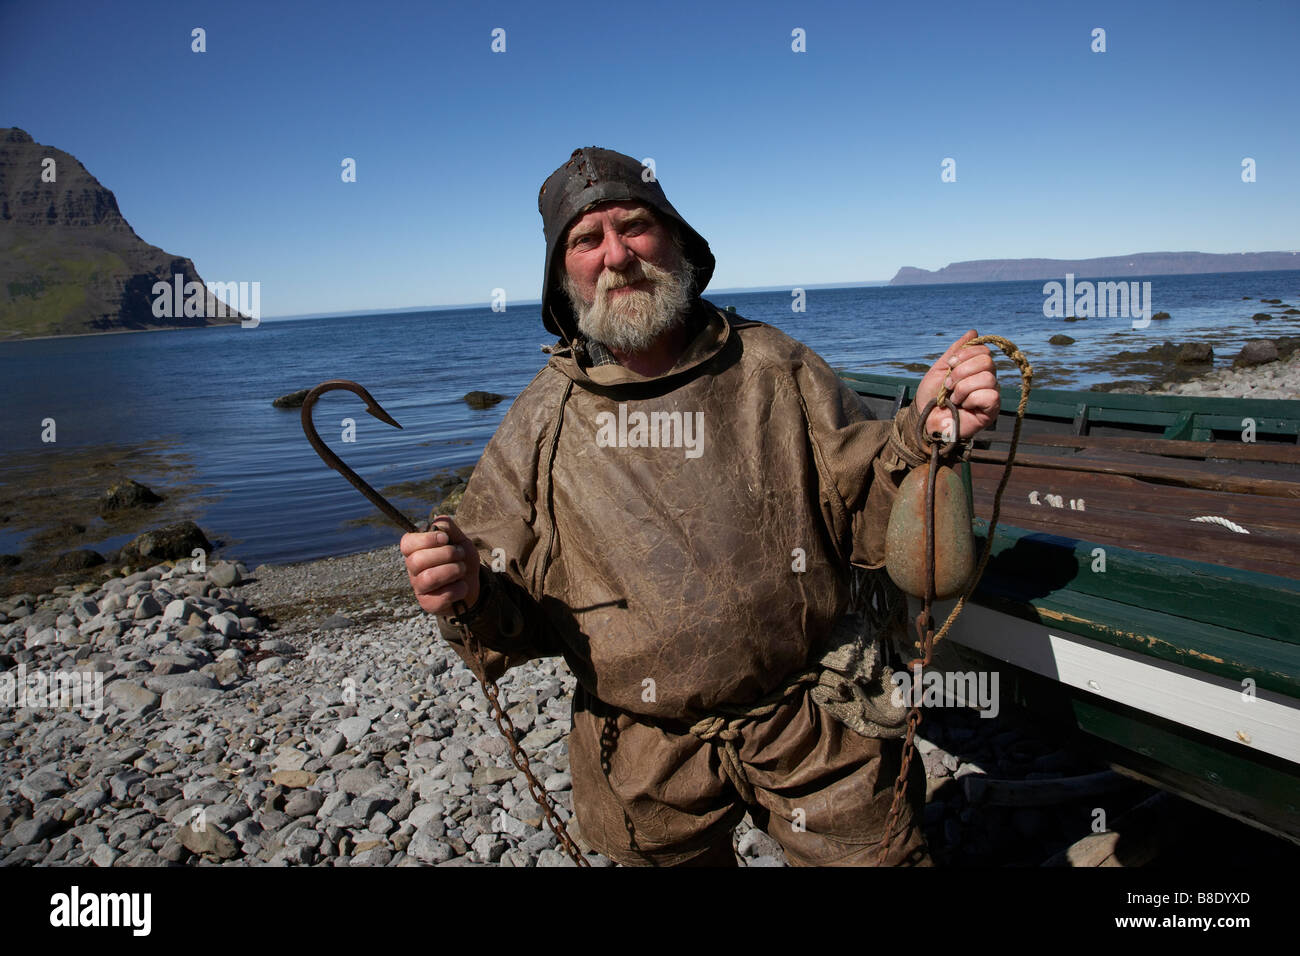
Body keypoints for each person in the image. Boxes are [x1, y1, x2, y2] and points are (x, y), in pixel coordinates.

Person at [401, 147, 999, 866]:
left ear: (677, 238)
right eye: (587, 240)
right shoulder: (540, 422)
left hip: (811, 721)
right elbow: (507, 607)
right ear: (565, 275)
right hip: (647, 755)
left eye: (635, 227)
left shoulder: (775, 367)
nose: (617, 255)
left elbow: (872, 511)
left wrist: (922, 437)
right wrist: (462, 586)